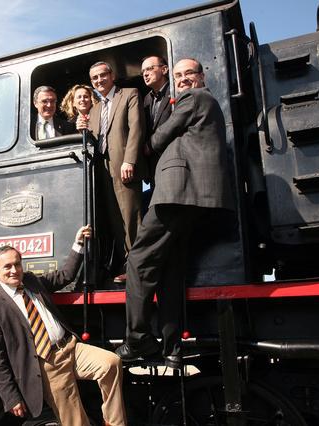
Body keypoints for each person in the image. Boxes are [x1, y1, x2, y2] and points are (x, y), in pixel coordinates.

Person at [115, 58, 235, 368]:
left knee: (138, 259)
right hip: (193, 197)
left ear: (202, 75)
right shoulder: (206, 103)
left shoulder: (194, 97)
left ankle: (137, 339)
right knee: (170, 272)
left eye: (188, 73)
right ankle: (172, 348)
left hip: (177, 192)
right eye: (179, 75)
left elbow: (158, 138)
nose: (182, 79)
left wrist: (142, 146)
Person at [0, 225, 127, 425]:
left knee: (111, 363)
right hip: (48, 363)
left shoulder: (31, 281)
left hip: (71, 348)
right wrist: (11, 397)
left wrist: (78, 244)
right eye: (7, 267)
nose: (14, 270)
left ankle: (113, 422)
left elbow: (65, 275)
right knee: (75, 422)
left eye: (17, 264)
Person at [76, 61, 145, 284]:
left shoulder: (129, 94)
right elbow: (94, 140)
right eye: (94, 78)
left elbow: (136, 128)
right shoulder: (95, 109)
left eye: (102, 75)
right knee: (116, 221)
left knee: (132, 218)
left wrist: (129, 160)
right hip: (103, 170)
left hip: (124, 166)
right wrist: (82, 129)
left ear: (112, 75)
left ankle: (139, 268)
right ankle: (127, 265)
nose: (99, 80)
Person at [141, 55, 172, 188]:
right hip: (154, 167)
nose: (145, 74)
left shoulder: (175, 91)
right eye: (143, 71)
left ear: (164, 69)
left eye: (149, 69)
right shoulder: (147, 99)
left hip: (173, 161)